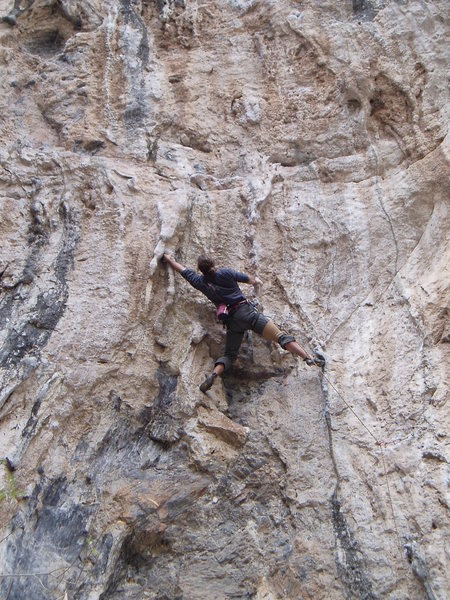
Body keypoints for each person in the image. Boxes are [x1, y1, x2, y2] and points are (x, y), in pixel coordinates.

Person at [163, 253, 325, 393]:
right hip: (247, 313)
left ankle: (213, 375)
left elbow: (183, 270)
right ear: (213, 264)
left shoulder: (200, 282)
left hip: (233, 321)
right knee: (280, 336)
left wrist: (170, 260)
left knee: (229, 355)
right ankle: (307, 357)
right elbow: (251, 280)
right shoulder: (225, 273)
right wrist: (257, 282)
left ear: (200, 270)